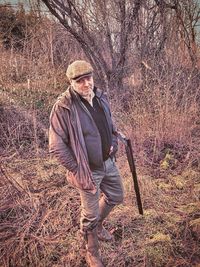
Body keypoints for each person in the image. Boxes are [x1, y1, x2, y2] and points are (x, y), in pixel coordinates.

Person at [49, 60, 124, 267]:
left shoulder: (99, 96)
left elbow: (110, 124)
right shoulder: (63, 107)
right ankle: (91, 252)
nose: (86, 84)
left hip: (107, 162)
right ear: (72, 82)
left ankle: (98, 225)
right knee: (89, 215)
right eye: (80, 81)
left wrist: (114, 143)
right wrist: (77, 170)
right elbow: (56, 145)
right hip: (87, 170)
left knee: (117, 195)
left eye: (88, 78)